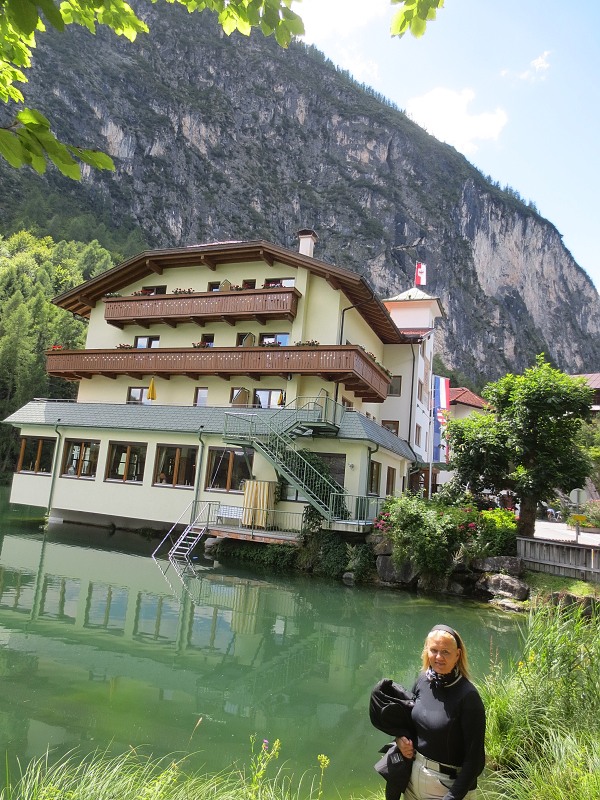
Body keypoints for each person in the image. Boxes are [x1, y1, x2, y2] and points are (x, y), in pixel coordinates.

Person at [396, 624, 486, 800]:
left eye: (446, 652)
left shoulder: (468, 697)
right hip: (414, 779)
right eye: (434, 650)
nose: (439, 657)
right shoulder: (422, 681)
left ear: (457, 655)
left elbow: (475, 761)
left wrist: (452, 797)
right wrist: (400, 740)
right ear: (426, 651)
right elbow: (409, 723)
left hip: (448, 787)